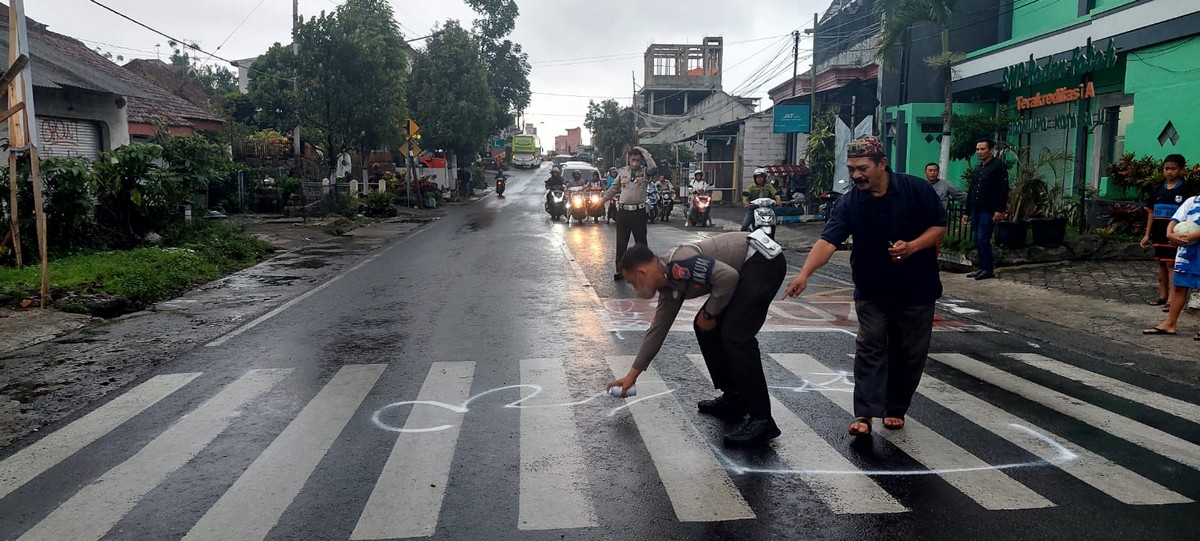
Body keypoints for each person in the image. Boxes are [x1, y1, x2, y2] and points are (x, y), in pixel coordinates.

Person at [781, 135, 947, 436]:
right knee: (870, 345)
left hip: (917, 288)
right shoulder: (849, 204)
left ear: (881, 164)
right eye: (851, 168)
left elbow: (939, 225)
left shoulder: (916, 190)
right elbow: (828, 241)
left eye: (862, 168)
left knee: (909, 352)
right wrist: (804, 274)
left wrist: (912, 246)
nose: (855, 175)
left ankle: (896, 407)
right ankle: (865, 413)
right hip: (872, 289)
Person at [607, 233, 788, 447]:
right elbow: (658, 330)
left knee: (735, 335)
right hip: (747, 268)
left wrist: (710, 313)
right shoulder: (668, 285)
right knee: (704, 327)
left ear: (642, 272)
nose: (635, 289)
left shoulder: (681, 264)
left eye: (633, 283)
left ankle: (762, 419)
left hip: (762, 261)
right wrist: (632, 375)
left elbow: (728, 277)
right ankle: (735, 398)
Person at [1141, 154, 1196, 308]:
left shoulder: (1186, 191)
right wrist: (1147, 234)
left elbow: (1191, 215)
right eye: (1166, 168)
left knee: (1172, 265)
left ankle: (1173, 300)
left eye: (1173, 169)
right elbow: (1151, 212)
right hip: (1159, 234)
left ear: (1182, 170)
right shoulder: (1157, 189)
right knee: (1161, 264)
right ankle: (1162, 296)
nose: (1169, 172)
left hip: (1175, 236)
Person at [1143, 194, 1200, 339]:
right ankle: (1170, 324)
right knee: (1180, 287)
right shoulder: (1192, 201)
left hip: (1192, 246)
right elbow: (1175, 219)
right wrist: (1170, 234)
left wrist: (1188, 237)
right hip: (1187, 253)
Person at [601, 146, 657, 281]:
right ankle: (620, 271)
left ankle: (645, 271)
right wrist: (601, 200)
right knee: (621, 244)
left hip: (638, 212)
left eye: (638, 160)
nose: (635, 163)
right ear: (629, 160)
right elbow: (614, 188)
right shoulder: (622, 172)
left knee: (641, 244)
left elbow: (653, 167)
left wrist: (645, 152)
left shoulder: (645, 172)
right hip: (624, 213)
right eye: (633, 159)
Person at [963, 138, 1009, 280]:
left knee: (983, 238)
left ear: (990, 150)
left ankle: (988, 269)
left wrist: (999, 209)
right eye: (977, 149)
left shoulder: (998, 166)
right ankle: (982, 267)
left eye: (982, 149)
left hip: (988, 210)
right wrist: (967, 212)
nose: (979, 152)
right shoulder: (978, 169)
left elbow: (1003, 189)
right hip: (976, 209)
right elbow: (971, 191)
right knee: (977, 239)